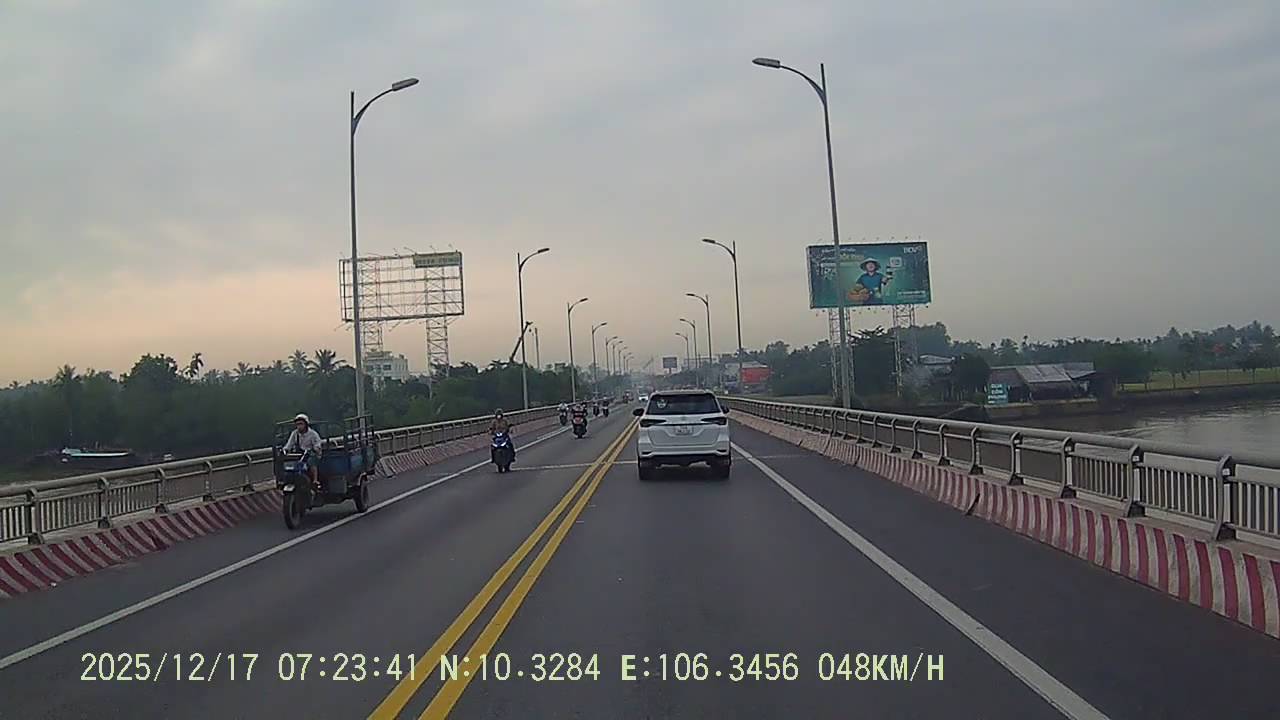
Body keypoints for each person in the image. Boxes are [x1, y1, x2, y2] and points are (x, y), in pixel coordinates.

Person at [282, 413, 323, 489]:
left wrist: (315, 448)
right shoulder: (295, 433)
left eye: (301, 424)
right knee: (289, 464)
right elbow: (289, 444)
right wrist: (285, 450)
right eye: (297, 424)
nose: (299, 426)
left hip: (311, 453)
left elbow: (318, 444)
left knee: (311, 461)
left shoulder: (313, 434)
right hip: (300, 454)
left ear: (306, 424)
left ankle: (315, 480)